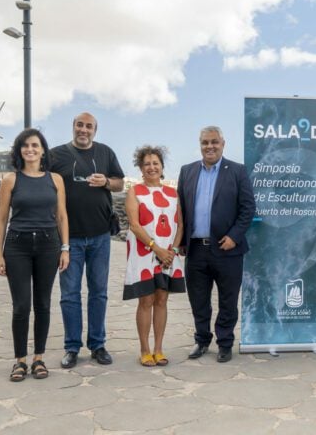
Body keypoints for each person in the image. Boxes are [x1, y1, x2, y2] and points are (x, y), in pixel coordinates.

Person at [50, 112, 125, 368]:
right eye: (80, 125)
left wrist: (106, 181)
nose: (84, 130)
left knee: (99, 293)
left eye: (89, 126)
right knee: (69, 294)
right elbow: (42, 185)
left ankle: (97, 344)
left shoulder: (105, 153)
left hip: (100, 235)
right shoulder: (56, 155)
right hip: (69, 238)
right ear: (73, 127)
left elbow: (120, 184)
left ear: (95, 130)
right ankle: (72, 347)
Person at [0, 128, 69, 382]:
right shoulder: (10, 180)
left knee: (43, 304)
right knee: (21, 306)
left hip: (49, 246)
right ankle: (20, 361)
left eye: (35, 145)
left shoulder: (55, 179)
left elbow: (61, 216)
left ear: (43, 150)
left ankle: (38, 358)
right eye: (25, 146)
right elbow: (2, 219)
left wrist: (65, 248)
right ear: (20, 151)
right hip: (17, 246)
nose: (30, 149)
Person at [177, 126, 255, 363]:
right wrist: (180, 240)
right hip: (196, 249)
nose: (209, 146)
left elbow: (248, 208)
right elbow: (179, 208)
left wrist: (234, 236)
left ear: (223, 143)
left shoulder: (238, 171)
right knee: (198, 299)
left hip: (227, 248)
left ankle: (224, 343)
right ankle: (201, 340)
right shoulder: (187, 171)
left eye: (214, 142)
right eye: (204, 142)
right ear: (199, 144)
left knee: (227, 301)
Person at [123, 145, 185, 366]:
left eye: (155, 163)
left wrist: (173, 251)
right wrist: (156, 249)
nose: (151, 167)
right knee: (146, 300)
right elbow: (134, 225)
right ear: (141, 168)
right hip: (144, 253)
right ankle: (144, 349)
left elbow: (179, 225)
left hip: (169, 255)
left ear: (162, 167)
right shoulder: (135, 192)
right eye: (147, 163)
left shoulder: (172, 193)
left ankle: (159, 348)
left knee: (162, 299)